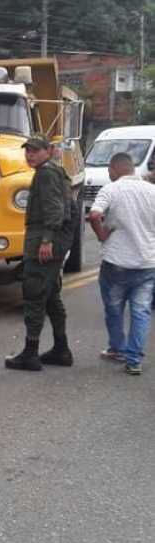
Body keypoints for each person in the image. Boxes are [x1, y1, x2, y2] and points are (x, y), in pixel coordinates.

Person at [5, 134, 74, 372]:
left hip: (44, 244)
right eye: (27, 151)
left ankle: (30, 354)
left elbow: (55, 210)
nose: (29, 154)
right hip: (54, 242)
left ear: (48, 150)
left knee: (34, 295)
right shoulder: (54, 171)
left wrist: (46, 241)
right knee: (51, 296)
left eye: (35, 150)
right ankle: (61, 349)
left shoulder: (46, 173)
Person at [89, 151, 155, 375]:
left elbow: (95, 215)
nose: (108, 174)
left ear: (115, 169)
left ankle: (117, 348)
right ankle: (134, 360)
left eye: (109, 171)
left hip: (116, 263)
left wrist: (101, 235)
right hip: (147, 263)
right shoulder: (152, 190)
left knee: (114, 309)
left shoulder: (111, 189)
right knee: (141, 312)